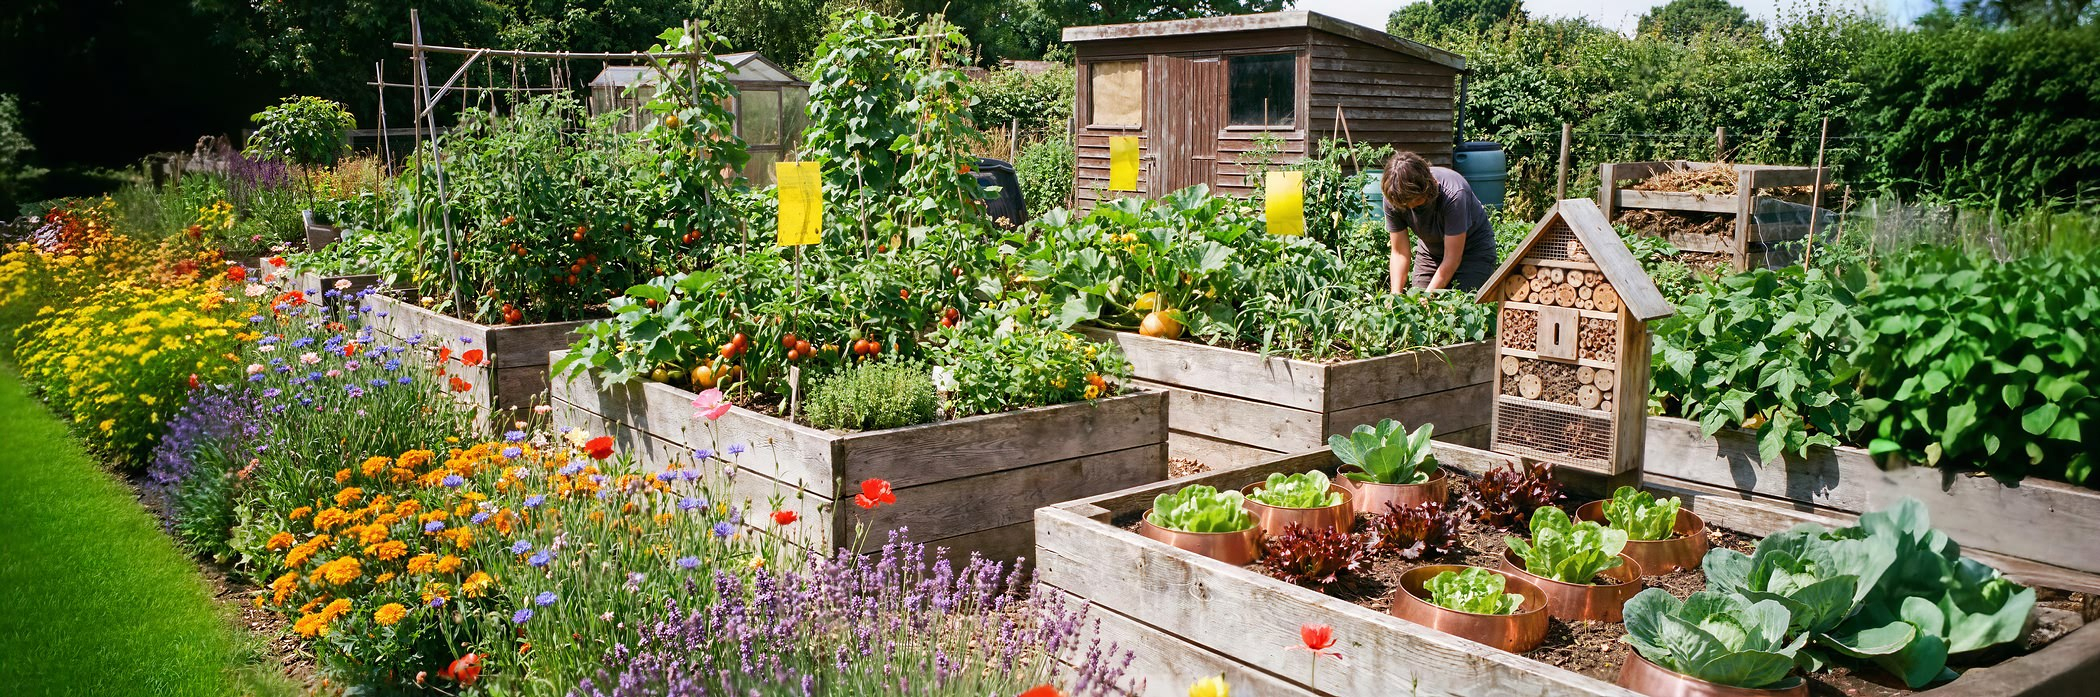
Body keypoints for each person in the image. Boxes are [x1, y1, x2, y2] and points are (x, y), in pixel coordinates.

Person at [1381, 150, 1498, 293]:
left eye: (1416, 201)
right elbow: (1399, 253)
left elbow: (1452, 258)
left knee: (1462, 306)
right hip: (1430, 253)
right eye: (1404, 205)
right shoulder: (1395, 197)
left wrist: (1429, 296)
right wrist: (1395, 295)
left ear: (1427, 186)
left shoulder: (1454, 195)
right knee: (1417, 304)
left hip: (1473, 252)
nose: (1410, 207)